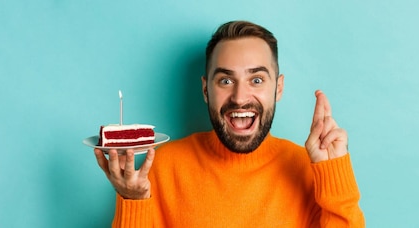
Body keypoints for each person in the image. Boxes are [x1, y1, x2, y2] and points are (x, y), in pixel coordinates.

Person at [94, 20, 365, 227]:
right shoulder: (162, 167)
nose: (240, 97)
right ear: (205, 90)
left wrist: (333, 173)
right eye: (225, 80)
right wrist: (133, 201)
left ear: (278, 88)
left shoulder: (307, 170)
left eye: (256, 80)